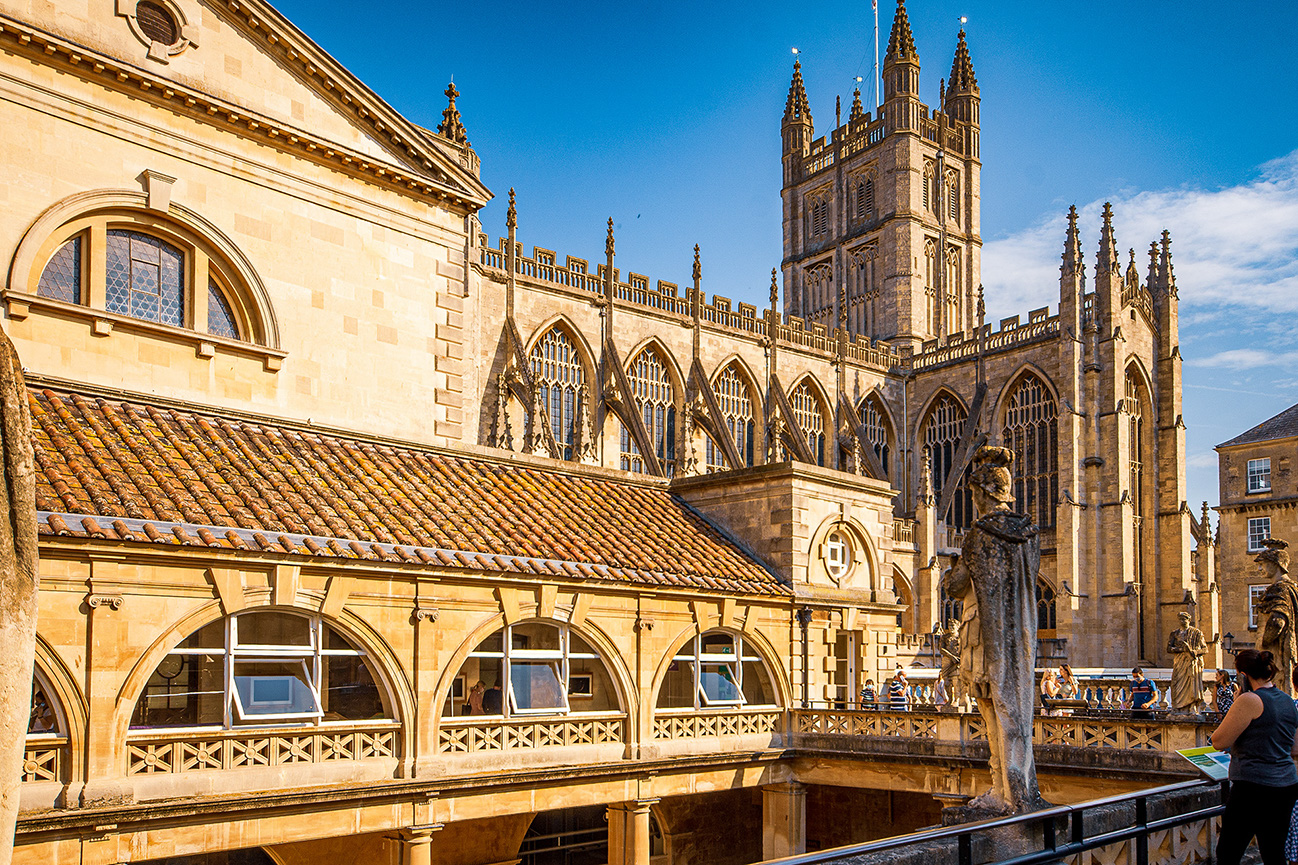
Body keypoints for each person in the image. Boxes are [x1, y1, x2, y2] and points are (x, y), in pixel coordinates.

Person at [942, 445, 1043, 815]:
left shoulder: (980, 534)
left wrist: (953, 567)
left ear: (983, 492)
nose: (973, 500)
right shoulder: (1029, 533)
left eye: (973, 493)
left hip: (985, 636)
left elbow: (956, 587)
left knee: (991, 710)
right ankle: (1020, 789)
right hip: (1021, 637)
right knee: (1015, 710)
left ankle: (1004, 791)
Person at [1210, 649, 1298, 865]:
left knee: (1228, 852)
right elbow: (1295, 748)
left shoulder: (1249, 700)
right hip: (1286, 784)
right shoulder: (1287, 700)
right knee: (1274, 852)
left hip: (1253, 786)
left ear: (1243, 675)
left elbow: (1218, 741)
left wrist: (1237, 702)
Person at [1256, 538, 1297, 697]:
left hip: (1277, 652)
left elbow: (1277, 622)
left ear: (1276, 564)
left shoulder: (1278, 589)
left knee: (1278, 690)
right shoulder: (1293, 588)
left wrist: (1263, 644)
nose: (1260, 568)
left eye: (1263, 564)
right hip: (1290, 648)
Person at [1167, 611, 1208, 712]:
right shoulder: (1174, 633)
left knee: (1191, 684)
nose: (1182, 621)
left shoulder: (1197, 633)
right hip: (1179, 662)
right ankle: (1177, 706)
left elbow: (1205, 649)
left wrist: (1195, 652)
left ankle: (1191, 706)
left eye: (1184, 619)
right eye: (1180, 619)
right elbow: (1169, 648)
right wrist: (1181, 649)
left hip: (1191, 662)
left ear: (1189, 620)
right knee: (1176, 683)